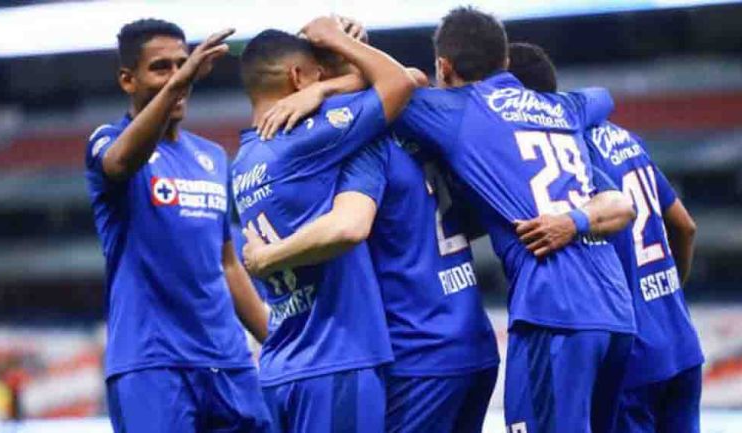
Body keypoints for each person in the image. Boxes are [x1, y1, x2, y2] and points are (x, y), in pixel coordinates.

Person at [390, 7, 637, 433]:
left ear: (444, 67)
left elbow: (388, 91)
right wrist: (577, 218)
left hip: (553, 312)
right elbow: (604, 97)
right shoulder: (564, 110)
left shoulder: (462, 113)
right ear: (504, 61)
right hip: (614, 311)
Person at [243, 26, 501, 433]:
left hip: (418, 351)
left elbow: (349, 225)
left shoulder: (360, 141)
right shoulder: (421, 121)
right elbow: (411, 78)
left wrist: (323, 89)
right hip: (469, 337)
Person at [84, 19, 271, 433]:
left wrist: (276, 342)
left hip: (228, 363)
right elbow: (120, 163)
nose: (177, 76)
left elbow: (227, 264)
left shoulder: (212, 157)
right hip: (153, 364)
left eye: (182, 65)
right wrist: (179, 84)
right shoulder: (107, 142)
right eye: (161, 68)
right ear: (127, 80)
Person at [509, 41, 704, 433]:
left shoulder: (564, 150)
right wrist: (669, 294)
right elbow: (685, 225)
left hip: (634, 356)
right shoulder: (625, 138)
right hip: (682, 344)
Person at [233, 17, 416, 432]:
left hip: (283, 363)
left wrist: (324, 84)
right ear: (297, 78)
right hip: (335, 360)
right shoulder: (309, 134)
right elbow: (402, 82)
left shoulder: (243, 161)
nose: (330, 80)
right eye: (320, 74)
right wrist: (334, 42)